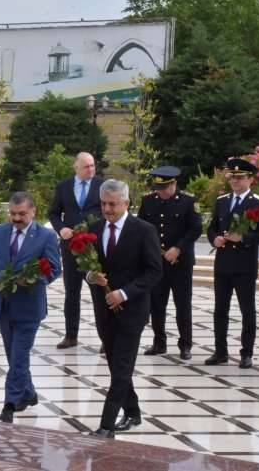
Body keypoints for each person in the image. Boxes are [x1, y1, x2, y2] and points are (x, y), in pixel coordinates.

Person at [84, 179, 162, 438]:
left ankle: (106, 426)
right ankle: (133, 411)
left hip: (132, 310)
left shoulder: (144, 230)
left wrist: (124, 293)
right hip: (103, 310)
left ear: (126, 203)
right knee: (116, 365)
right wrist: (90, 276)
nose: (107, 209)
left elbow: (154, 271)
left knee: (122, 365)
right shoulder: (94, 229)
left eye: (113, 204)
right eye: (104, 203)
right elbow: (85, 266)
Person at [0, 192, 62, 424]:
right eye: (13, 214)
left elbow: (54, 269)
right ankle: (28, 393)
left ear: (33, 212)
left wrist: (34, 280)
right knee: (14, 357)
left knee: (19, 356)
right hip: (2, 306)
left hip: (29, 309)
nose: (16, 218)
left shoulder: (45, 237)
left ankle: (9, 405)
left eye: (21, 214)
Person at [206, 158, 259, 369]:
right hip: (223, 263)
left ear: (250, 179)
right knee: (220, 309)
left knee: (247, 310)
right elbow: (212, 227)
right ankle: (220, 351)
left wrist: (242, 238)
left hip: (244, 265)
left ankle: (247, 352)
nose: (235, 181)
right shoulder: (222, 201)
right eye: (233, 177)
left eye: (240, 177)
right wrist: (214, 238)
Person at [138, 166, 202, 360]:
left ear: (174, 184)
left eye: (164, 187)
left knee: (183, 304)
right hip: (157, 262)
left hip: (180, 262)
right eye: (158, 187)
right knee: (157, 303)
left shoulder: (188, 201)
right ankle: (159, 342)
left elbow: (195, 229)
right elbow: (141, 226)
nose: (160, 192)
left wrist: (178, 248)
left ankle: (185, 344)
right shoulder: (148, 201)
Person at [48, 152, 104, 349]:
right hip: (71, 248)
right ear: (76, 167)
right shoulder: (64, 186)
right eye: (86, 166)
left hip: (94, 248)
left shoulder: (101, 186)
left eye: (93, 166)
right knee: (72, 294)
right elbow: (53, 213)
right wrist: (61, 228)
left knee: (99, 294)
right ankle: (71, 336)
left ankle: (106, 338)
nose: (91, 169)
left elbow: (108, 212)